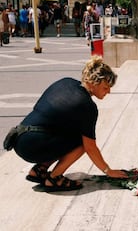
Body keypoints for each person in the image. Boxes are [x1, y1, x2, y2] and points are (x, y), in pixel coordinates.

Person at [8, 55, 128, 192]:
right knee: (81, 141)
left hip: (20, 138)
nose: (109, 91)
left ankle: (40, 169)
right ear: (94, 82)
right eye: (106, 87)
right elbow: (90, 147)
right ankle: (54, 178)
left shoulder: (66, 82)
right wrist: (108, 170)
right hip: (34, 146)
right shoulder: (87, 106)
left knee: (68, 132)